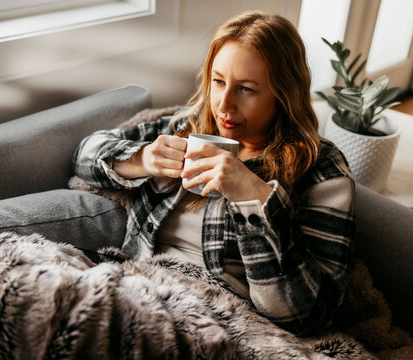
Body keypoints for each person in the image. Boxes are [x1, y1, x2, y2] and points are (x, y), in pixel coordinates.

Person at [72, 10, 355, 335]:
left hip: (217, 318)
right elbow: (83, 157)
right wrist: (143, 159)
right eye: (219, 81)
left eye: (246, 89)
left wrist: (254, 198)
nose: (223, 104)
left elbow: (307, 315)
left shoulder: (321, 169)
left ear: (282, 94)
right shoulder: (187, 126)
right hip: (136, 283)